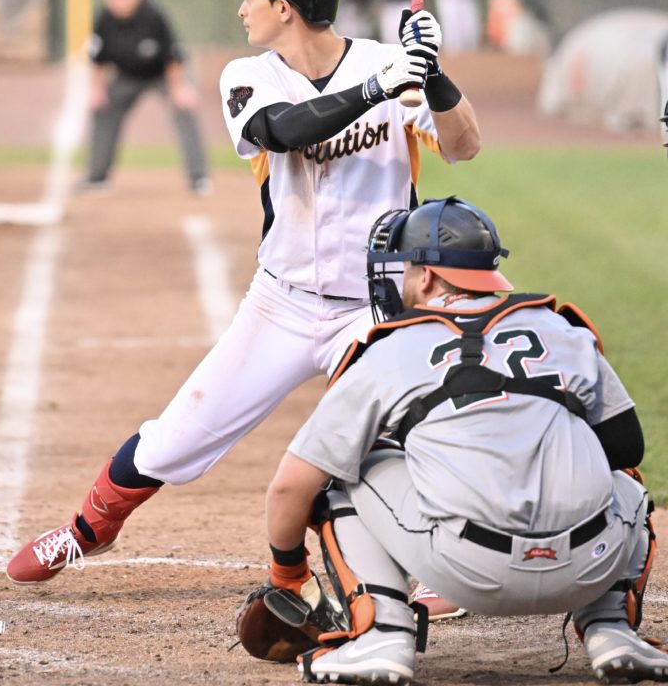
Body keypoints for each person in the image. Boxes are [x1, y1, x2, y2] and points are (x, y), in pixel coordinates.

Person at [5, 0, 481, 585]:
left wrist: (433, 73)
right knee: (177, 436)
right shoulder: (251, 75)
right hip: (282, 302)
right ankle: (90, 528)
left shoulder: (391, 65)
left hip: (374, 309)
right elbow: (282, 130)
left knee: (398, 440)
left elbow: (465, 146)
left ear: (285, 5)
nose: (241, 8)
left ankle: (429, 565)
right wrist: (379, 86)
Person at [259, 196, 663, 685]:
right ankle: (612, 630)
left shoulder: (391, 348)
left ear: (426, 276)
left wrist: (287, 574)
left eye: (403, 269)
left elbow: (289, 488)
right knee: (624, 480)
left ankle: (383, 635)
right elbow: (625, 447)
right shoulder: (561, 329)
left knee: (342, 472)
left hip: (466, 571)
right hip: (590, 565)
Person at [80, 0, 209, 194]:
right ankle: (97, 177)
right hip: (127, 75)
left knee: (184, 107)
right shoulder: (103, 18)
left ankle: (198, 177)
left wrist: (179, 88)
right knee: (103, 109)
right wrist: (97, 90)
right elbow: (97, 59)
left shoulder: (152, 14)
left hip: (164, 73)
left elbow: (174, 55)